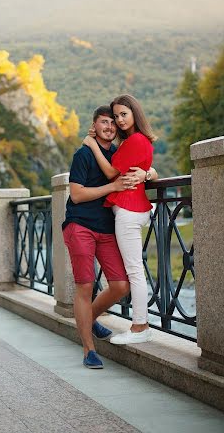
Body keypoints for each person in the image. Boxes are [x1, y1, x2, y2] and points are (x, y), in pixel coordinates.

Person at [63, 105, 157, 368]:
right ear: (94, 125)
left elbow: (150, 168)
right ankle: (88, 349)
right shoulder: (83, 154)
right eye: (105, 122)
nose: (110, 126)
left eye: (114, 122)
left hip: (106, 228)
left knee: (120, 285)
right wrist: (113, 186)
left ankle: (86, 320)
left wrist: (147, 174)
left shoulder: (118, 151)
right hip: (80, 225)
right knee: (85, 285)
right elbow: (77, 195)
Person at [83, 94, 157, 344]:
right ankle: (139, 324)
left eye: (123, 114)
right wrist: (149, 173)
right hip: (131, 208)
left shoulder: (135, 140)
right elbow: (144, 168)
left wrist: (91, 143)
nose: (119, 120)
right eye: (115, 116)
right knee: (134, 270)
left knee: (135, 271)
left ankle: (140, 326)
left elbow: (112, 172)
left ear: (135, 112)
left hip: (128, 211)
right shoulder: (136, 141)